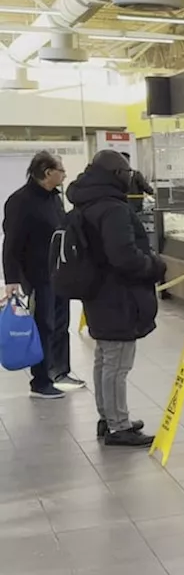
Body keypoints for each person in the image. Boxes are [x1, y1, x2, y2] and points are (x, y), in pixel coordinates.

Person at [70, 150, 166, 447]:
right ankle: (118, 425)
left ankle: (108, 416)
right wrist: (154, 266)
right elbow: (124, 257)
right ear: (116, 176)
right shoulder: (111, 209)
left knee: (105, 357)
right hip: (118, 294)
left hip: (98, 292)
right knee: (117, 362)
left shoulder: (86, 202)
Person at [2, 150, 84, 398]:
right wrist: (12, 279)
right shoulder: (21, 201)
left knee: (61, 324)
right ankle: (40, 381)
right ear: (48, 173)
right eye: (61, 170)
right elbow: (11, 242)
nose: (64, 175)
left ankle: (60, 372)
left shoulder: (54, 199)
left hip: (60, 273)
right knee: (44, 325)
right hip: (37, 275)